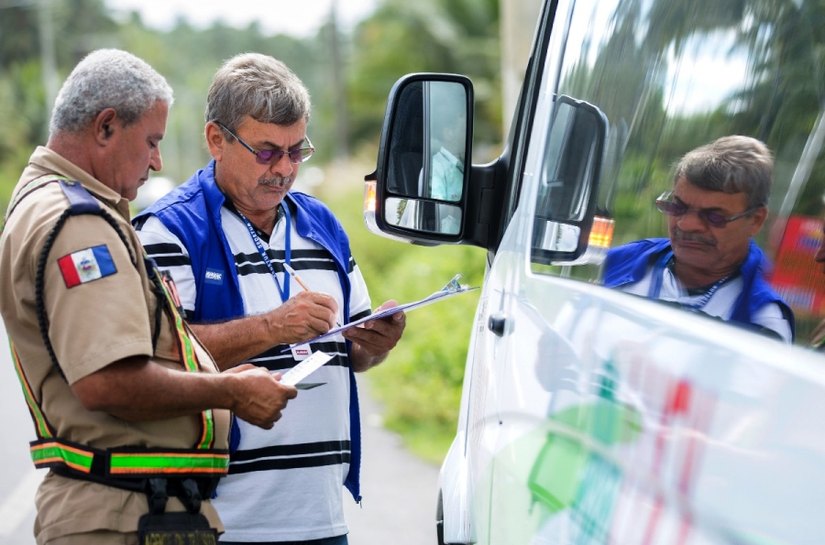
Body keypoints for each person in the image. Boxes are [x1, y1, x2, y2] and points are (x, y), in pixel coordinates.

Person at [0, 49, 298, 545]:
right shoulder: (80, 224)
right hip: (121, 514)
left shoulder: (49, 203)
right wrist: (229, 391)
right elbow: (107, 382)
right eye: (152, 142)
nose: (158, 161)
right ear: (106, 127)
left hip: (129, 506)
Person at [133, 53, 406, 545]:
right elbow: (158, 359)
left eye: (297, 151)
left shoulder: (322, 225)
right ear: (216, 139)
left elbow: (358, 355)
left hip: (321, 517)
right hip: (219, 522)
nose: (284, 169)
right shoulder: (169, 229)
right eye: (266, 152)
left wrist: (376, 340)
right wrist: (273, 326)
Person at [602, 135, 794, 342]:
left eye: (714, 216)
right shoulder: (617, 263)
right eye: (678, 207)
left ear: (756, 220)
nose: (686, 224)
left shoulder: (765, 322)